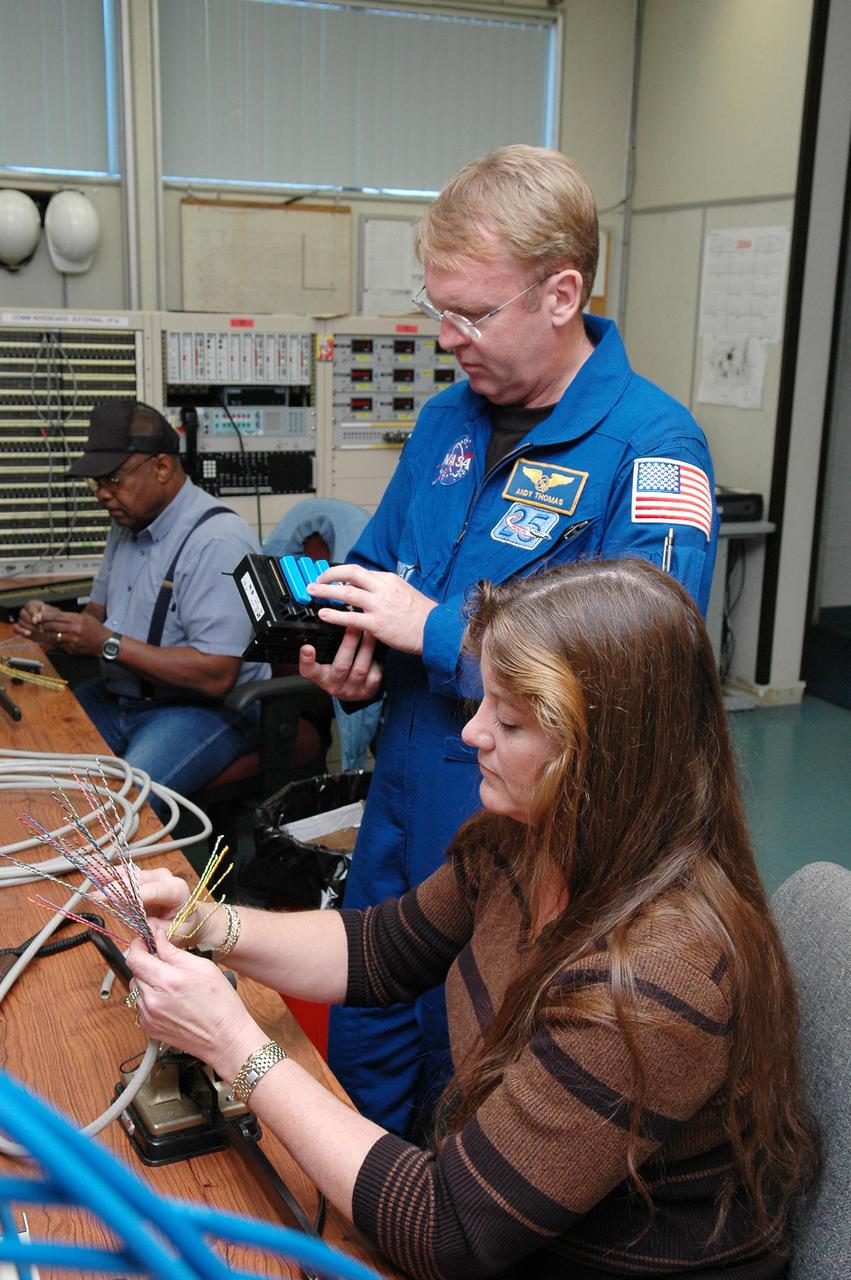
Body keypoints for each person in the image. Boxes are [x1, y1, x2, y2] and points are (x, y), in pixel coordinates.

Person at [124, 559, 817, 1280]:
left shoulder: (653, 980)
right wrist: (209, 924)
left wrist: (234, 1046)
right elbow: (378, 949)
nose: (474, 734)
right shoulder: (523, 842)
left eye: (510, 720)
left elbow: (446, 1227)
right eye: (482, 702)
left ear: (608, 757)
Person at [298, 145, 719, 1135]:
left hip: (530, 856)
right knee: (359, 1072)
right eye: (436, 309)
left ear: (562, 291)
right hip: (400, 822)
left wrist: (433, 628)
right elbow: (377, 574)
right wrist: (347, 650)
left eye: (473, 314)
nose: (449, 338)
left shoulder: (653, 449)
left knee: (473, 1104)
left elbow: (640, 690)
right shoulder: (446, 419)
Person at [13, 400, 269, 811]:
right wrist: (60, 625)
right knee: (27, 761)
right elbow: (98, 613)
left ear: (162, 467)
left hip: (203, 710)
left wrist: (105, 644)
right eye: (96, 483)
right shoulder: (127, 524)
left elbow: (218, 674)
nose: (102, 494)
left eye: (112, 479)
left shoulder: (216, 541)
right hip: (122, 698)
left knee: (116, 811)